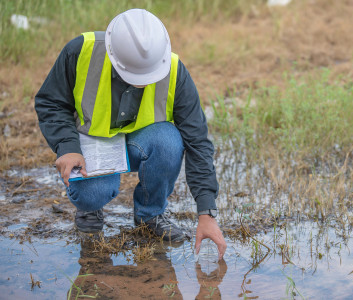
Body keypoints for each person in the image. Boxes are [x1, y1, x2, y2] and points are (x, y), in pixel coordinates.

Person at [34, 8, 226, 259]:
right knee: (92, 194)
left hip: (142, 142)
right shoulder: (81, 51)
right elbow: (51, 102)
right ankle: (90, 209)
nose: (142, 82)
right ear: (113, 55)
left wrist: (206, 213)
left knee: (170, 140)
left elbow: (198, 141)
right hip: (92, 146)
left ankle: (150, 215)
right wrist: (67, 146)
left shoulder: (175, 71)